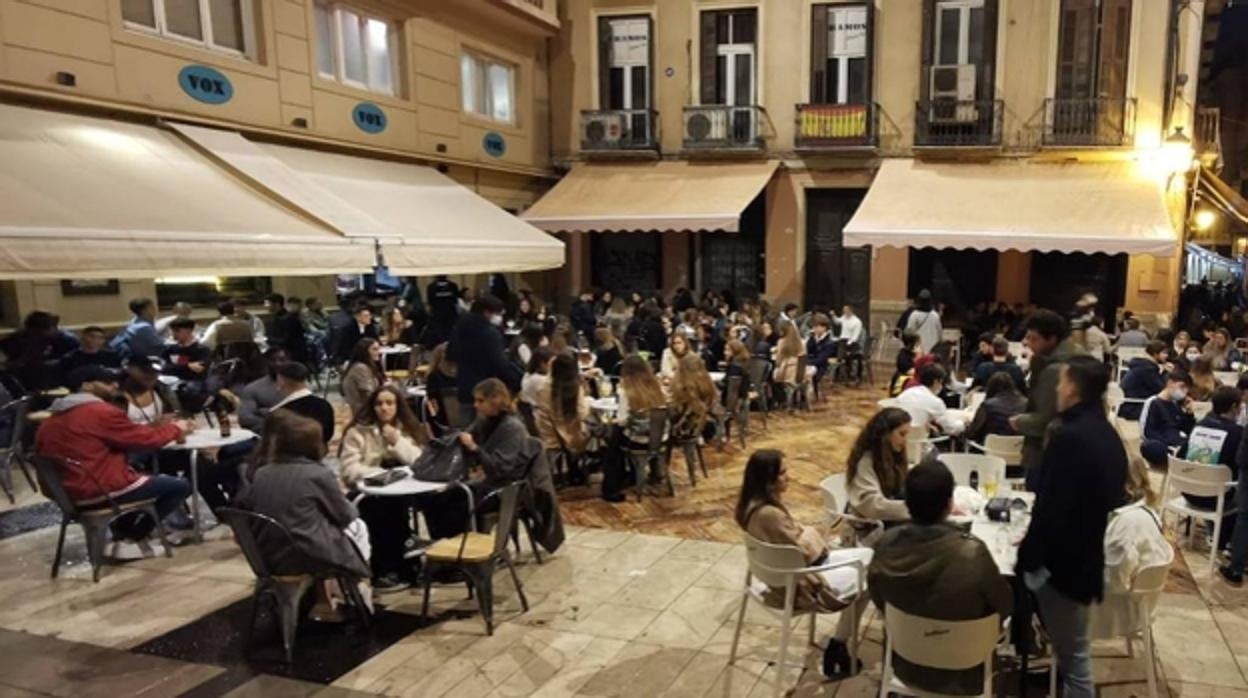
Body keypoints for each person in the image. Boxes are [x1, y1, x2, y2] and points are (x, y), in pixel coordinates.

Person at [1018, 356, 1127, 698]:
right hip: (1086, 556)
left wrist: (1029, 559)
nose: (1057, 388)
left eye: (1062, 381)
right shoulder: (1107, 434)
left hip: (1063, 567)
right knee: (1072, 651)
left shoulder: (1070, 438)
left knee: (1077, 661)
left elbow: (1050, 509)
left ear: (1074, 389)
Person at [868, 459, 1013, 695]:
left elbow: (877, 597)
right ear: (949, 504)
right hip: (967, 672)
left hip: (904, 664)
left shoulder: (885, 545)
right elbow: (1004, 606)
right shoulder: (972, 554)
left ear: (907, 503)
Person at [735, 449, 872, 678]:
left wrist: (807, 534)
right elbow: (803, 553)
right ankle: (838, 646)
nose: (788, 477)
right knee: (868, 583)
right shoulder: (770, 515)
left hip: (783, 574)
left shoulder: (747, 507)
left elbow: (794, 546)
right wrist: (810, 533)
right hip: (798, 584)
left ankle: (839, 643)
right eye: (782, 473)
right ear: (767, 480)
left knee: (867, 555)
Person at [35, 365, 193, 550]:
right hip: (101, 490)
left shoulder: (48, 422)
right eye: (107, 382)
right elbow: (145, 440)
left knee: (139, 467)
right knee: (179, 486)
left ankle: (123, 530)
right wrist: (176, 428)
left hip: (68, 496)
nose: (115, 385)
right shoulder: (98, 412)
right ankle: (133, 536)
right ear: (86, 386)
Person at [239, 410, 371, 583]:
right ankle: (358, 586)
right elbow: (345, 515)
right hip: (308, 555)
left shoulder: (261, 473)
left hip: (269, 555)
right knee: (358, 526)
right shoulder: (317, 474)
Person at [336, 385, 423, 590]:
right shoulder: (358, 432)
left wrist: (397, 440)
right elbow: (349, 469)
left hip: (405, 488)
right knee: (383, 508)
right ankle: (389, 567)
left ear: (398, 406)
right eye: (379, 403)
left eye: (389, 403)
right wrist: (379, 475)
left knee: (440, 497)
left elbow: (419, 462)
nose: (384, 408)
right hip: (367, 490)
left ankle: (416, 559)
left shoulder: (407, 428)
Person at [1093, 457, 1172, 638]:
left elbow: (1114, 580)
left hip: (1114, 613)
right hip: (1140, 606)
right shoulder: (1147, 511)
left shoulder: (1126, 523)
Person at [1011, 310, 1084, 490]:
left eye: (1034, 338)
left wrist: (1019, 422)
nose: (1028, 343)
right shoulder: (1079, 356)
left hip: (1046, 451)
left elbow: (1045, 419)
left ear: (1051, 339)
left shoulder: (1055, 369)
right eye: (1027, 337)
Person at [602, 355, 668, 502]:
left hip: (638, 440)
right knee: (618, 434)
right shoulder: (657, 387)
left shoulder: (626, 391)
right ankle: (638, 474)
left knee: (613, 439)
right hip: (660, 439)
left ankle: (611, 487)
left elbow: (622, 420)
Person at [447, 294, 521, 412]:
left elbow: (450, 355)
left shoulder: (459, 327)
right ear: (487, 312)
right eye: (498, 313)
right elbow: (500, 364)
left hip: (464, 388)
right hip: (488, 391)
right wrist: (516, 379)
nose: (500, 317)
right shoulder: (490, 333)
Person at [846, 407, 912, 530]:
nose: (905, 441)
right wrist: (915, 509)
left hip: (890, 522)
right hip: (870, 529)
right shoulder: (865, 463)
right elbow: (872, 506)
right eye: (902, 434)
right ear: (885, 435)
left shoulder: (894, 456)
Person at [535, 352, 592, 457]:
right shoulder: (574, 389)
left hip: (549, 437)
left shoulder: (542, 388)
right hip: (572, 441)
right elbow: (583, 413)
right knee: (598, 428)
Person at [1139, 370, 1196, 468]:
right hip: (1163, 445)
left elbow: (1188, 430)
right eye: (1182, 386)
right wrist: (1169, 444)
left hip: (1180, 444)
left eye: (1187, 389)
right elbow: (1146, 432)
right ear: (1170, 383)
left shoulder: (1176, 404)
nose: (1184, 392)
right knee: (1150, 446)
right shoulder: (1153, 402)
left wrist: (1189, 414)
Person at [271, 362, 335, 446]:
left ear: (282, 381)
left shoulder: (279, 413)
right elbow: (328, 434)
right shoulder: (324, 405)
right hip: (317, 451)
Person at [896, 364, 965, 436]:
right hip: (916, 438)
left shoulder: (907, 392)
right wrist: (963, 423)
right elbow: (951, 428)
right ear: (936, 382)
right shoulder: (935, 401)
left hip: (899, 435)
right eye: (941, 383)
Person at [670, 354, 719, 444]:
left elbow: (677, 411)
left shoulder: (682, 388)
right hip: (703, 426)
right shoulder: (708, 385)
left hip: (682, 428)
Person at [966, 372, 1027, 444]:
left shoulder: (987, 405)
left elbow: (972, 432)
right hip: (1018, 447)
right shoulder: (1026, 403)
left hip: (990, 448)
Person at [238, 347, 287, 433]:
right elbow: (245, 418)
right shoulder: (253, 388)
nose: (277, 364)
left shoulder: (301, 386)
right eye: (273, 360)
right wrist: (274, 423)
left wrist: (266, 413)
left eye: (282, 360)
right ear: (266, 362)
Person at [1119, 340, 1169, 420]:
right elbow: (1161, 389)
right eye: (1164, 353)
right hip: (1134, 407)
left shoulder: (1143, 365)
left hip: (1128, 405)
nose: (1166, 356)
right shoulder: (1146, 369)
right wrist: (1165, 372)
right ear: (1155, 354)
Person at [341, 338, 386, 418]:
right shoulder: (361, 368)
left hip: (365, 409)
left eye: (378, 349)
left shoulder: (362, 366)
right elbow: (369, 395)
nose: (379, 352)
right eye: (374, 349)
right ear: (365, 351)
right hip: (364, 413)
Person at [161, 318, 210, 382]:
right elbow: (164, 368)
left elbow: (199, 369)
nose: (173, 334)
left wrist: (177, 366)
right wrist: (188, 366)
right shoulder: (170, 348)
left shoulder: (202, 349)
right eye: (172, 331)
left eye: (177, 331)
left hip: (191, 383)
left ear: (189, 331)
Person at [904, 290, 943, 358]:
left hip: (919, 350)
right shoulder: (935, 315)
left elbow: (909, 331)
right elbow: (940, 334)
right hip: (932, 351)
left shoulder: (914, 315)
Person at [772, 322, 807, 393]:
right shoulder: (802, 343)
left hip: (785, 374)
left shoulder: (781, 342)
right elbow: (803, 360)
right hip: (799, 374)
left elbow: (778, 361)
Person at [805, 314, 838, 386]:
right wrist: (812, 338)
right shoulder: (813, 338)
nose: (814, 329)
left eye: (817, 326)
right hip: (810, 364)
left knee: (804, 374)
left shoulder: (829, 343)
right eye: (813, 326)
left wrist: (806, 363)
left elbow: (820, 360)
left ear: (824, 327)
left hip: (821, 367)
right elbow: (807, 351)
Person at [889, 333, 920, 397]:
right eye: (918, 344)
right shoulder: (903, 355)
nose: (919, 346)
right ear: (911, 344)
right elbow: (909, 371)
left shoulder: (912, 354)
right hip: (902, 382)